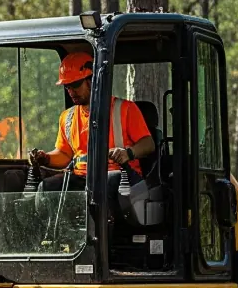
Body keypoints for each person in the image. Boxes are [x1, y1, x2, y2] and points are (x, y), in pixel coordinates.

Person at [28, 49, 155, 192]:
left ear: (93, 80)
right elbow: (64, 155)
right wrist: (44, 158)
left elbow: (148, 144)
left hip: (122, 177)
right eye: (67, 86)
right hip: (82, 179)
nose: (71, 91)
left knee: (109, 182)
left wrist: (128, 153)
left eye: (75, 85)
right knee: (47, 187)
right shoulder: (67, 117)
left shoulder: (125, 109)